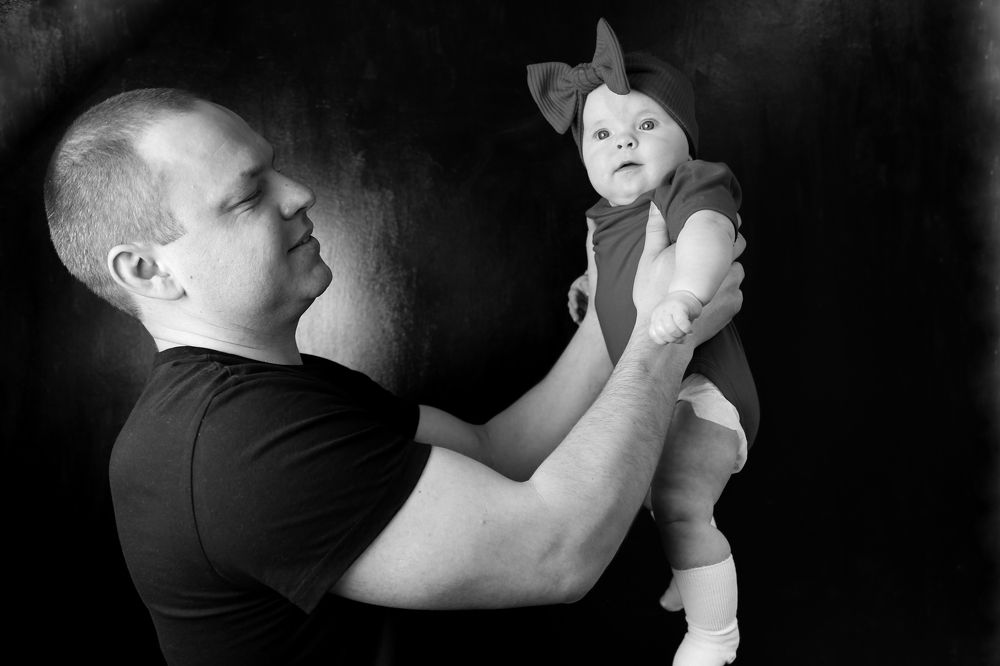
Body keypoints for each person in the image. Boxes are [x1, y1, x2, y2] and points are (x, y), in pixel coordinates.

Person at [43, 86, 746, 665]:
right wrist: (666, 337)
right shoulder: (234, 448)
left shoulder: (275, 393)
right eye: (247, 195)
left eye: (274, 169)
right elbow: (558, 551)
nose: (299, 193)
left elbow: (497, 451)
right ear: (147, 269)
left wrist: (615, 306)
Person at [527, 19, 760, 666]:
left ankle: (715, 635)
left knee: (679, 499)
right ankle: (694, 566)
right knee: (653, 494)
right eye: (601, 134)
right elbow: (615, 272)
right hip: (658, 385)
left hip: (706, 387)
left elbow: (710, 232)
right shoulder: (602, 218)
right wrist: (589, 286)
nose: (624, 140)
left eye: (647, 125)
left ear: (686, 142)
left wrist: (684, 294)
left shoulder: (690, 184)